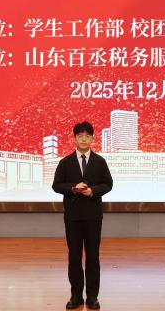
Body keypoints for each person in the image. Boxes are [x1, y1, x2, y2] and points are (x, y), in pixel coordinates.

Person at [52, 121, 113, 310]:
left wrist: (92, 191)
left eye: (87, 136)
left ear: (92, 139)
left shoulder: (100, 161)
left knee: (93, 257)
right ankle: (76, 296)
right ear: (74, 139)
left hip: (93, 216)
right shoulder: (65, 162)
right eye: (80, 136)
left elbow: (108, 184)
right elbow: (56, 185)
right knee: (74, 257)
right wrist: (73, 188)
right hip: (73, 216)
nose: (84, 139)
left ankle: (92, 297)